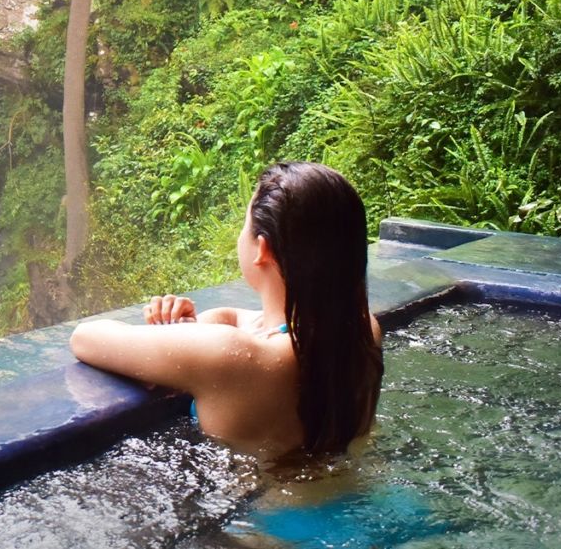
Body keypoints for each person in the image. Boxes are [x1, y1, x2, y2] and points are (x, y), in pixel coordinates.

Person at [70, 161, 383, 457]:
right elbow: (249, 325)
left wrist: (188, 338)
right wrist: (199, 329)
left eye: (244, 226)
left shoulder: (228, 357)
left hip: (259, 498)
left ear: (262, 249)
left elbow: (85, 337)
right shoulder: (363, 330)